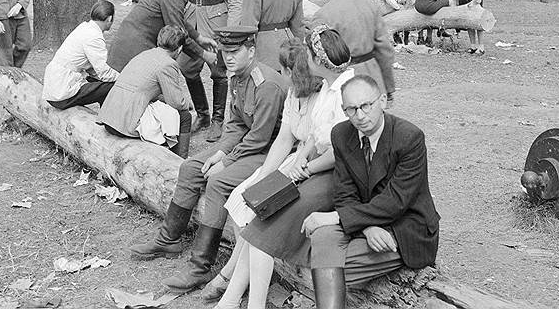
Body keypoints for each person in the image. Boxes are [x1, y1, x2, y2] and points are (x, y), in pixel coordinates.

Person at [129, 26, 288, 294]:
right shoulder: (238, 77)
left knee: (217, 182)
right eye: (225, 52)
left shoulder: (267, 84)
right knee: (191, 167)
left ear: (251, 51)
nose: (229, 58)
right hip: (248, 145)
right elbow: (237, 124)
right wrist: (219, 152)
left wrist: (226, 161)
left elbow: (260, 137)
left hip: (271, 153)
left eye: (235, 52)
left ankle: (200, 266)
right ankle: (169, 239)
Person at [210, 28, 353, 309]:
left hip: (337, 177)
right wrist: (302, 158)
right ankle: (232, 296)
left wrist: (306, 167)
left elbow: (340, 151)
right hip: (314, 167)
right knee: (260, 210)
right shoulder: (327, 88)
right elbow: (314, 135)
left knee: (266, 219)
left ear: (318, 60)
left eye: (310, 54)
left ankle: (247, 300)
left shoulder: (344, 91)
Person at [300, 75, 440, 309]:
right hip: (365, 221)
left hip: (405, 224)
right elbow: (345, 194)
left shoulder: (409, 138)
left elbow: (395, 201)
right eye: (351, 109)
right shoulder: (342, 134)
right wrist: (366, 226)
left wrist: (336, 218)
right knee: (323, 239)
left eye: (366, 106)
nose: (360, 116)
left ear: (382, 101)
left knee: (327, 267)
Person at [179, 0, 244, 143]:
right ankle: (203, 115)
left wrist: (230, 31)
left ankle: (218, 121)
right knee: (186, 68)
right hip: (191, 22)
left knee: (218, 72)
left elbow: (236, 0)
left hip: (217, 23)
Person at [308, 0, 396, 104]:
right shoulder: (367, 3)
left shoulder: (323, 16)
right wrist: (388, 88)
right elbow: (385, 50)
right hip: (374, 83)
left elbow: (317, 64)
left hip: (343, 88)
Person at [107, 0, 217, 72]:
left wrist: (199, 38)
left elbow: (179, 20)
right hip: (133, 50)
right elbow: (178, 34)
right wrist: (204, 55)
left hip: (132, 45)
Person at [98, 25, 193, 158]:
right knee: (184, 116)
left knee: (164, 111)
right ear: (179, 49)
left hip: (109, 116)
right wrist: (187, 103)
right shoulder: (168, 64)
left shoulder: (145, 54)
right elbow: (176, 103)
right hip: (125, 124)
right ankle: (179, 160)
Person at [42, 0, 119, 109]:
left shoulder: (84, 28)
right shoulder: (95, 37)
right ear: (110, 19)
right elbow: (104, 73)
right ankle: (108, 120)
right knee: (113, 86)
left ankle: (103, 117)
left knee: (99, 82)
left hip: (53, 87)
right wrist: (123, 79)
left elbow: (93, 70)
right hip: (61, 94)